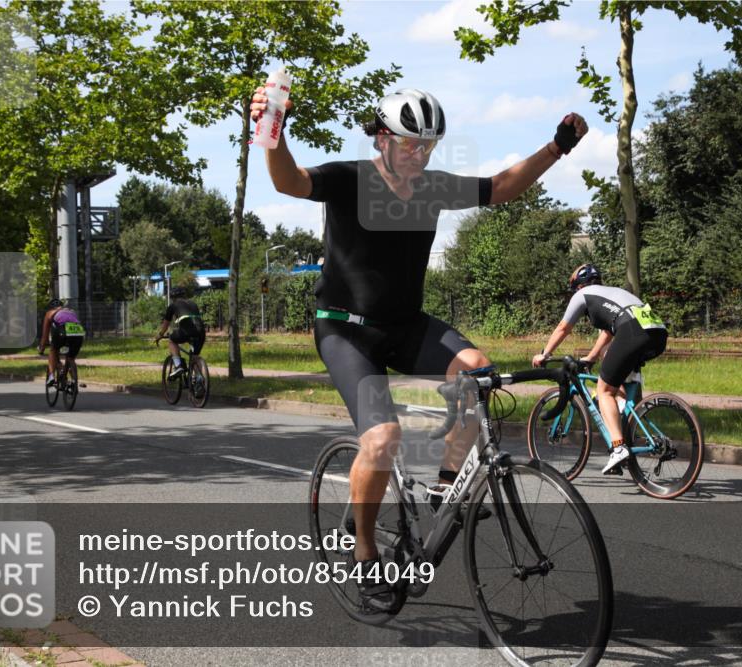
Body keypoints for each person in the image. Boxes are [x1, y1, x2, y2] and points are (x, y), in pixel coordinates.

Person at [252, 84, 588, 613]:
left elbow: (500, 187)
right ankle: (365, 556)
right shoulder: (349, 179)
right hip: (344, 328)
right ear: (382, 138)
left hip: (405, 325)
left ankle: (445, 487)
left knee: (479, 376)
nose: (420, 154)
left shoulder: (431, 188)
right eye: (411, 143)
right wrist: (272, 131)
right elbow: (288, 181)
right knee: (382, 438)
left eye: (429, 145)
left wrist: (556, 148)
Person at [531, 264, 668, 474]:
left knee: (603, 390)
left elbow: (563, 327)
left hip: (632, 332)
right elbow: (608, 332)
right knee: (616, 387)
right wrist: (592, 357)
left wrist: (545, 353)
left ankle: (618, 448)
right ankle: (626, 422)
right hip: (657, 333)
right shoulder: (614, 293)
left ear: (577, 286)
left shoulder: (582, 295)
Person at [154, 288, 205, 379]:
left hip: (187, 330)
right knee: (195, 357)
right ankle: (199, 379)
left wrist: (160, 335)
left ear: (173, 298)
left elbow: (166, 324)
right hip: (201, 332)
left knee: (172, 340)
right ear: (184, 296)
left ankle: (178, 366)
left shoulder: (173, 306)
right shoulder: (193, 304)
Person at [38, 299, 85, 385]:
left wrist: (42, 348)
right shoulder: (71, 311)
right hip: (78, 332)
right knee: (70, 357)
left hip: (62, 330)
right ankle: (74, 380)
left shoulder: (50, 313)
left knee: (53, 350)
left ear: (51, 308)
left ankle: (51, 376)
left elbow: (45, 336)